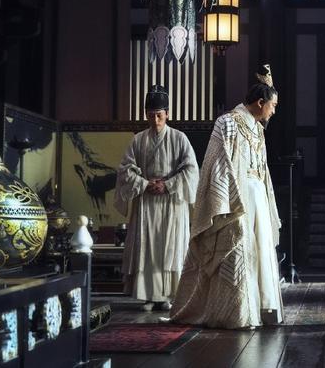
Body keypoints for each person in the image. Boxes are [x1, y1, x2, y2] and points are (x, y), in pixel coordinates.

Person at [171, 64, 283, 328]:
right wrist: (229, 199)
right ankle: (234, 313)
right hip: (237, 196)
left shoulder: (258, 128)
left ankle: (261, 310)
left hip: (258, 195)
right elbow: (218, 163)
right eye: (273, 105)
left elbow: (263, 168)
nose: (274, 111)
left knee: (261, 248)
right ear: (260, 102)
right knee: (237, 246)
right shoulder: (228, 122)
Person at [114, 86, 199, 311]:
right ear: (146, 115)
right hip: (147, 199)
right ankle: (148, 295)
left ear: (167, 114)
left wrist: (168, 185)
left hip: (172, 201)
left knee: (171, 246)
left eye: (159, 115)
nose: (155, 120)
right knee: (148, 247)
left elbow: (191, 169)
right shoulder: (138, 140)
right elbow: (125, 169)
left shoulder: (179, 138)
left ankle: (169, 295)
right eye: (151, 115)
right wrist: (144, 184)